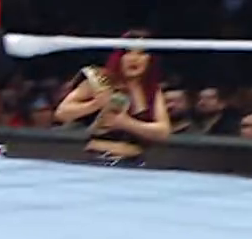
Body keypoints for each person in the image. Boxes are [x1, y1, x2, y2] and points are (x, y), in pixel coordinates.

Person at [53, 32, 172, 164]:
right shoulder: (102, 80)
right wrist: (95, 104)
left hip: (134, 163)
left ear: (150, 59)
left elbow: (163, 132)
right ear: (119, 56)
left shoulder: (152, 90)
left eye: (141, 53)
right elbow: (62, 113)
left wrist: (126, 123)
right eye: (128, 52)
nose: (134, 58)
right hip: (98, 160)